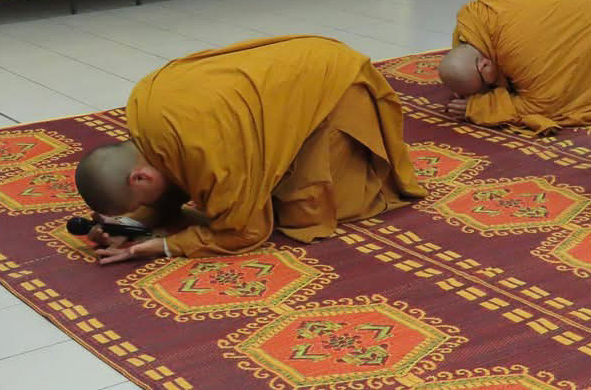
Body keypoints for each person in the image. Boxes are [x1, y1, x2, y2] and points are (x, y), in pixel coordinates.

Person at [75, 35, 425, 264]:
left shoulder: (204, 153)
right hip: (294, 72)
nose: (145, 209)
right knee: (256, 196)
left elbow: (245, 232)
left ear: (139, 177)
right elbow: (170, 180)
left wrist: (165, 246)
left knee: (305, 216)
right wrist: (133, 225)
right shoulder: (143, 110)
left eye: (137, 205)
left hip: (334, 87)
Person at [439, 0, 591, 136]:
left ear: (485, 65)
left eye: (484, 88)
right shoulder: (468, 25)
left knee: (578, 90)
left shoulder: (521, 56)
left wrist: (482, 107)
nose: (482, 93)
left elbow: (543, 104)